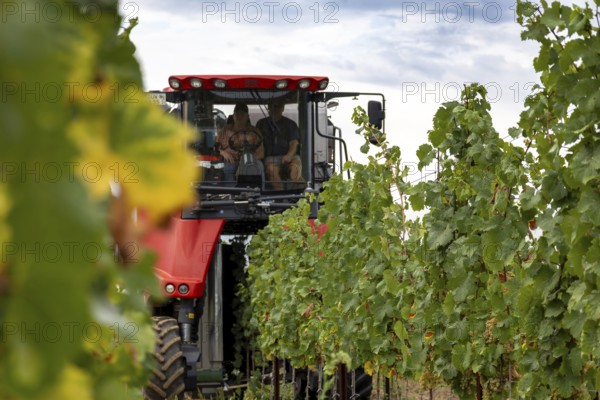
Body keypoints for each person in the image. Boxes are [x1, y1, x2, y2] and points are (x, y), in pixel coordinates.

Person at [256, 101, 302, 190]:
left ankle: (295, 196)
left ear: (282, 108)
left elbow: (294, 143)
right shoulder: (261, 124)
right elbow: (256, 141)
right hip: (270, 158)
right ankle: (281, 196)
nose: (274, 109)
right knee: (271, 170)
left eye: (277, 106)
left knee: (295, 169)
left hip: (290, 156)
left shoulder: (290, 124)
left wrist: (288, 155)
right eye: (271, 107)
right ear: (268, 108)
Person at [216, 103, 264, 184]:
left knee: (259, 166)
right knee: (226, 167)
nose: (239, 116)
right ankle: (230, 194)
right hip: (230, 161)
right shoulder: (224, 130)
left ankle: (260, 192)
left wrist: (245, 161)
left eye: (242, 114)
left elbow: (261, 153)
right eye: (237, 114)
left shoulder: (255, 132)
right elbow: (216, 147)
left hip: (250, 161)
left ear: (248, 117)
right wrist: (222, 152)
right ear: (233, 116)